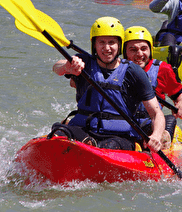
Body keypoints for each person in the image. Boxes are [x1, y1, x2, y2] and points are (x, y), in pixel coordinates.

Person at [51, 17, 165, 152]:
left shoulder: (133, 71)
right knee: (58, 132)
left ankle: (90, 147)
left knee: (107, 146)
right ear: (94, 45)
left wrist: (156, 136)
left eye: (112, 42)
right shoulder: (84, 62)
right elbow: (56, 68)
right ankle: (86, 145)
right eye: (102, 42)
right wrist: (67, 66)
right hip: (84, 130)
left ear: (119, 45)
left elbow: (156, 113)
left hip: (118, 137)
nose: (107, 48)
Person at [123, 26, 182, 149]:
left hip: (151, 124)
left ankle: (163, 141)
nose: (139, 54)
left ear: (150, 50)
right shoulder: (118, 69)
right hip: (125, 124)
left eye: (144, 49)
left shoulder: (162, 70)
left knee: (169, 119)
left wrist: (181, 106)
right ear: (125, 52)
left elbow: (180, 96)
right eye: (133, 49)